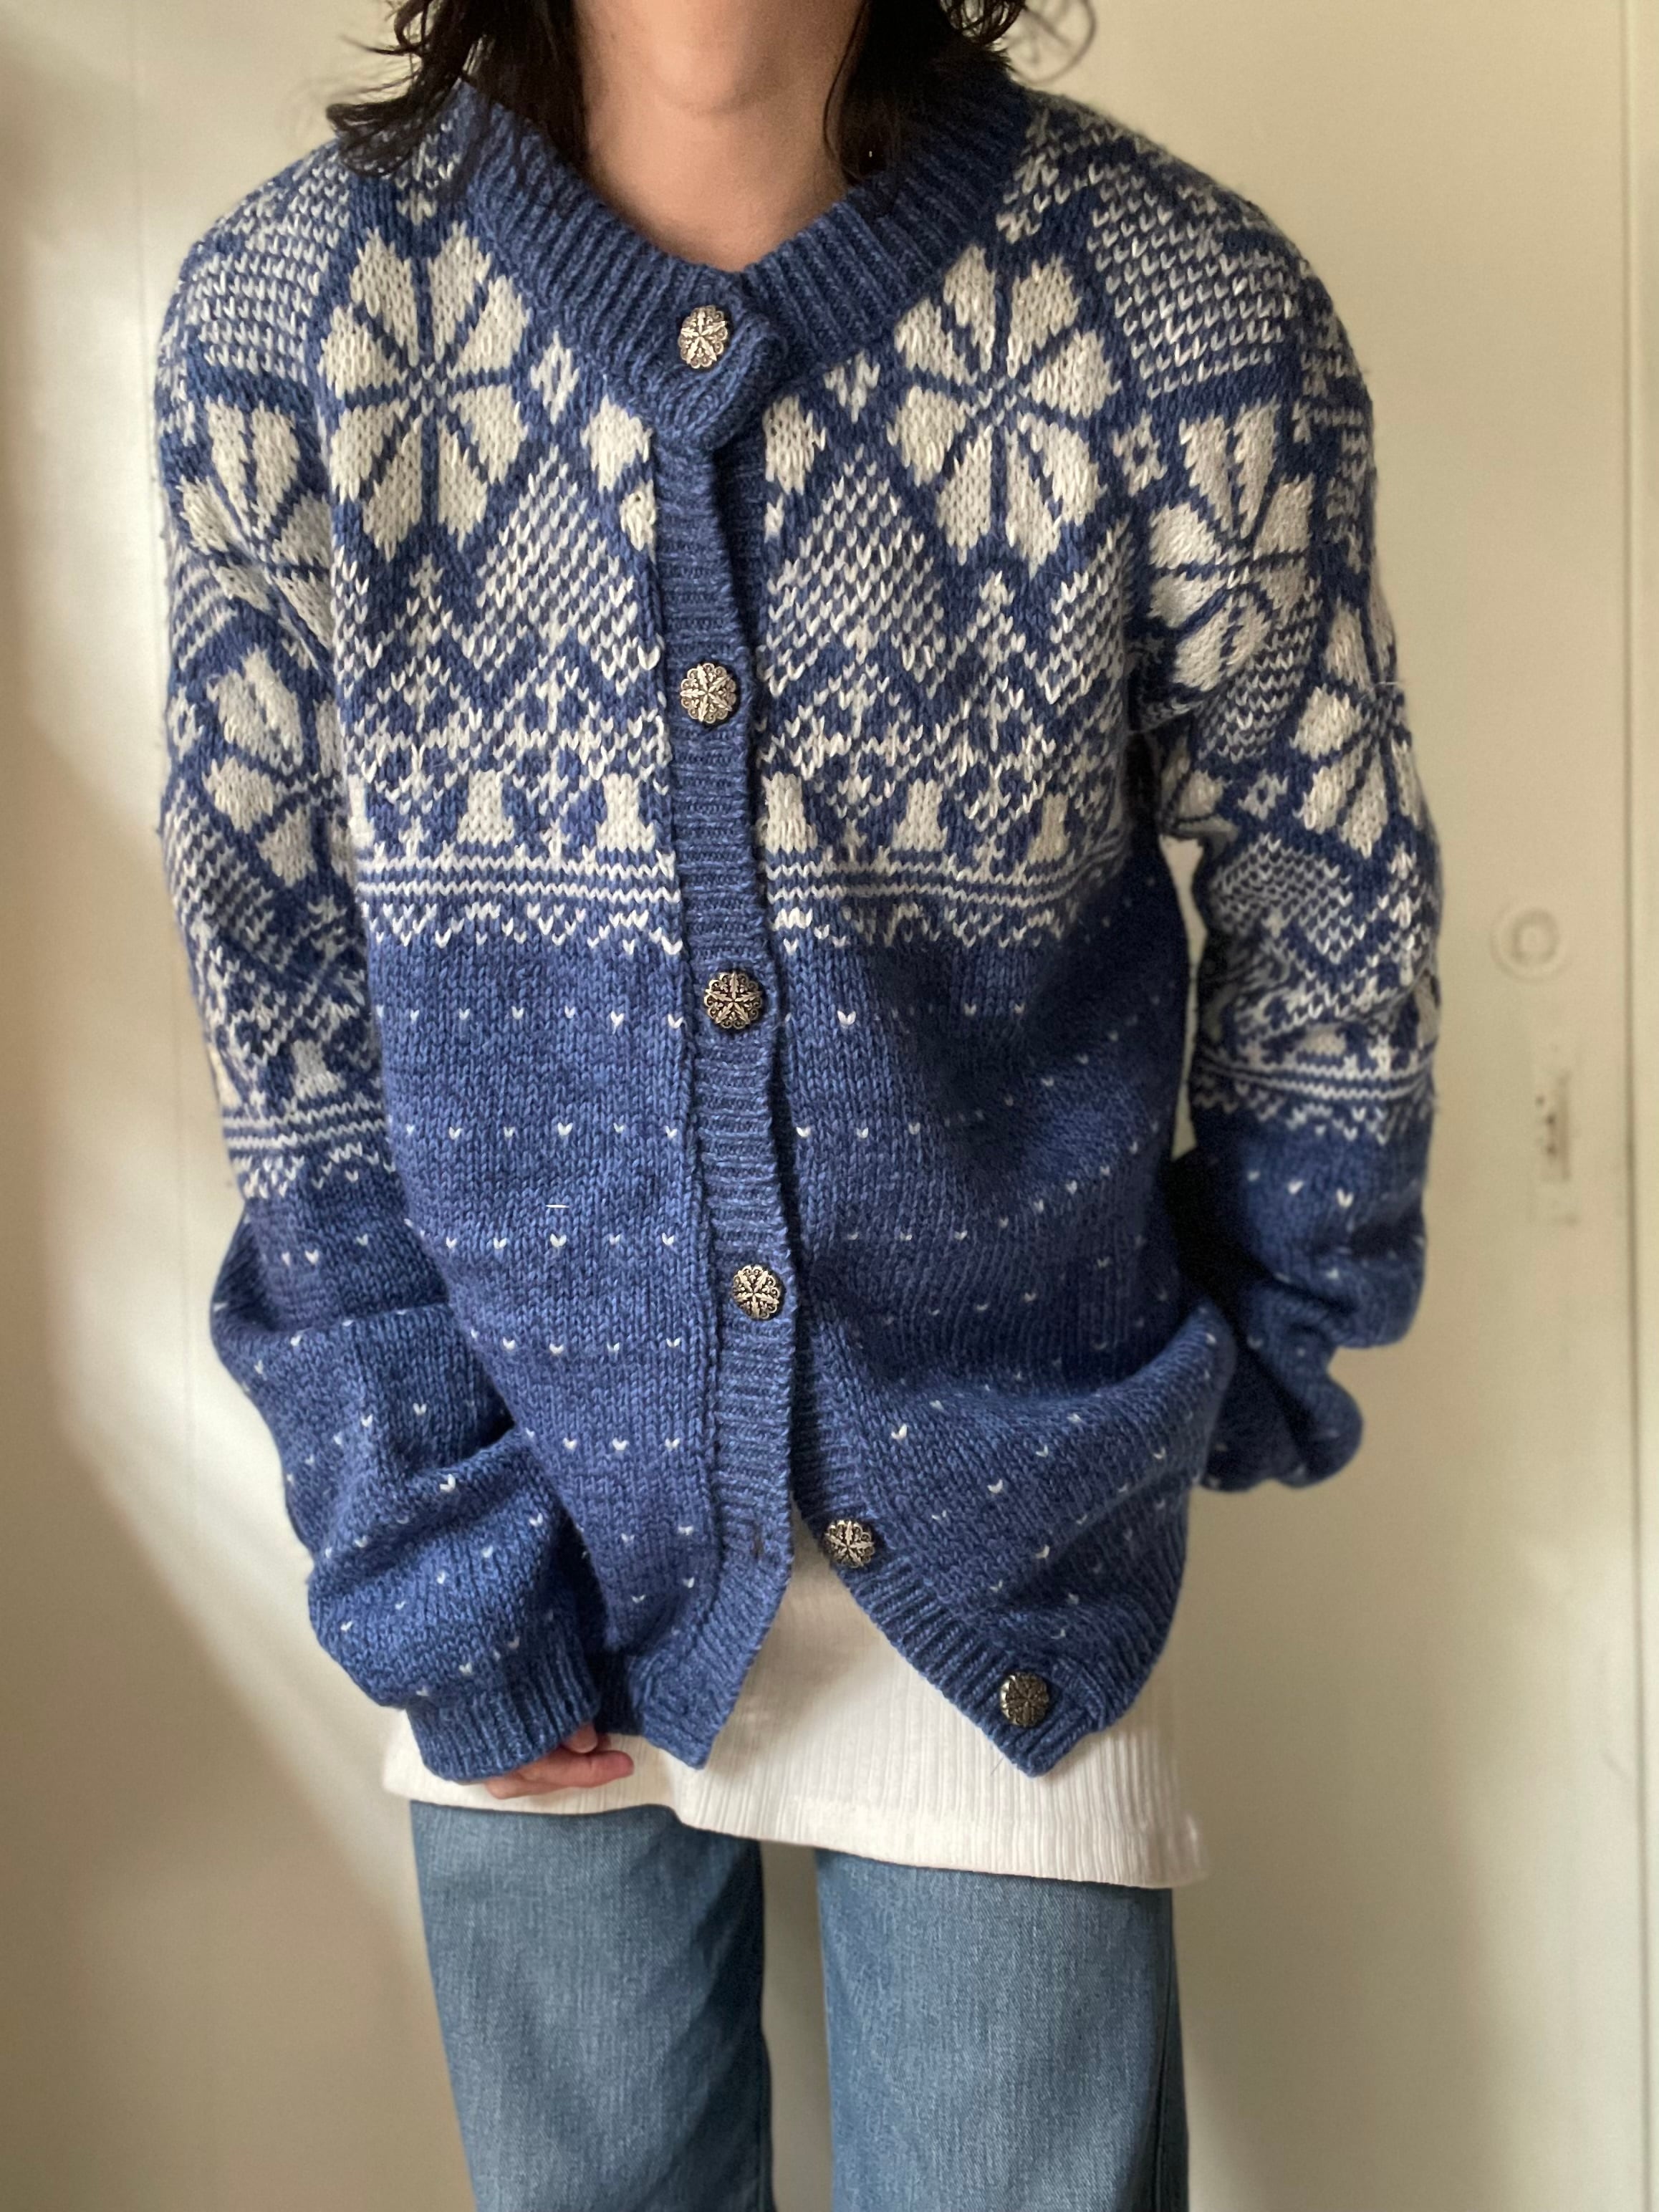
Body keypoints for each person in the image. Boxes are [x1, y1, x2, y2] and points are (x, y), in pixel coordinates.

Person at [150, 0, 1441, 2203]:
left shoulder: (1181, 312)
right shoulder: (298, 313)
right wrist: (434, 1539)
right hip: (509, 1511)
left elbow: (1329, 890)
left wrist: (1239, 1353)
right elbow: (273, 976)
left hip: (1013, 1529)